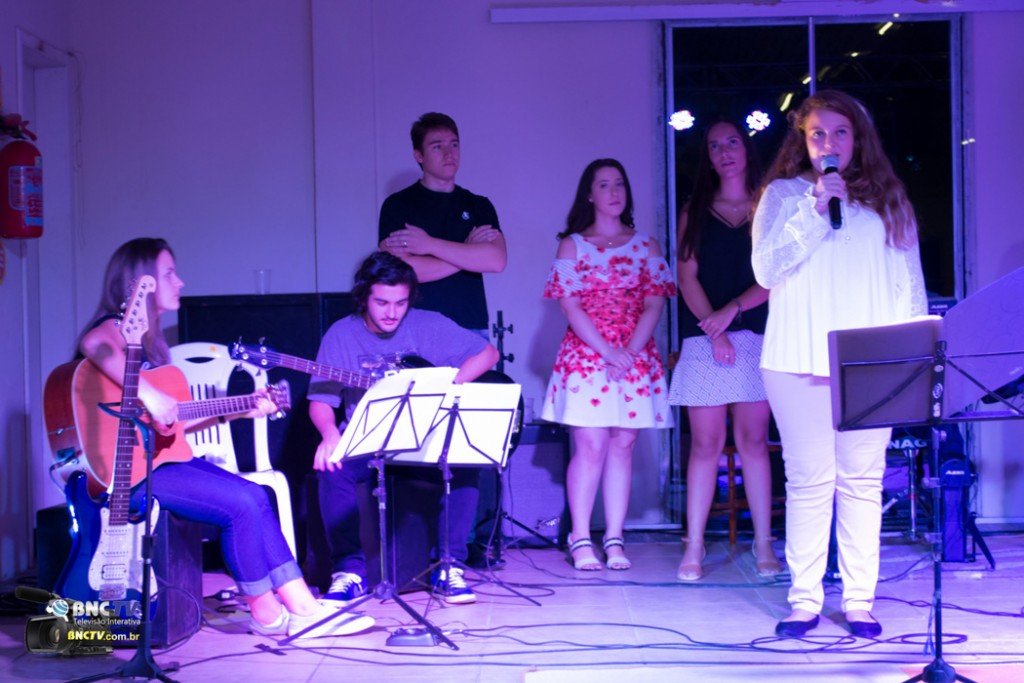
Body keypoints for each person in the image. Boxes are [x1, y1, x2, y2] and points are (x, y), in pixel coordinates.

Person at [78, 237, 374, 639]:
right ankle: (267, 613)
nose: (180, 281)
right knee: (238, 505)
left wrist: (239, 409)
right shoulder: (116, 328)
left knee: (254, 495)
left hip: (160, 462)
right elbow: (93, 344)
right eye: (169, 273)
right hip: (123, 473)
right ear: (141, 281)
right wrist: (151, 395)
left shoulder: (153, 348)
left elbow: (171, 426)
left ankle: (300, 607)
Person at [751, 90, 927, 638]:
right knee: (809, 480)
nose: (829, 142)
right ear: (803, 141)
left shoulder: (889, 199)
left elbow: (909, 287)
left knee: (862, 482)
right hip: (796, 357)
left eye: (840, 132)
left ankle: (858, 601)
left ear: (858, 137)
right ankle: (804, 600)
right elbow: (766, 271)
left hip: (869, 361)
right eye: (818, 134)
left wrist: (911, 357)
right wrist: (813, 208)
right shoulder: (783, 195)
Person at [309, 251, 499, 605]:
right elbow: (321, 400)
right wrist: (330, 435)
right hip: (367, 441)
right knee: (331, 468)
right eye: (381, 302)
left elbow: (488, 354)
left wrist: (451, 386)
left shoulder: (429, 324)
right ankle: (348, 573)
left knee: (465, 462)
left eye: (401, 303)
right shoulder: (341, 334)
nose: (392, 313)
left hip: (424, 439)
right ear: (363, 297)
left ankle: (449, 566)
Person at [541, 159, 676, 571]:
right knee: (591, 445)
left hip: (634, 354)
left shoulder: (647, 245)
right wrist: (607, 351)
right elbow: (570, 306)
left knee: (623, 445)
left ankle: (615, 538)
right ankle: (580, 537)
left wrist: (629, 352)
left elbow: (654, 304)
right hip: (588, 356)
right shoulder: (572, 245)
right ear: (589, 194)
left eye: (619, 184)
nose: (614, 192)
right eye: (604, 185)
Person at [668, 120, 779, 581]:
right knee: (705, 444)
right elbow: (685, 275)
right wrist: (715, 331)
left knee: (754, 441)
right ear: (708, 158)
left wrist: (732, 312)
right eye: (714, 146)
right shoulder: (694, 211)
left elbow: (775, 276)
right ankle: (693, 545)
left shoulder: (768, 206)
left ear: (746, 149)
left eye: (732, 142)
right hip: (705, 336)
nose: (724, 152)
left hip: (756, 332)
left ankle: (764, 542)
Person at [378, 112, 507, 334]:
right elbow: (403, 272)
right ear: (419, 155)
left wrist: (429, 245)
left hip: (470, 327)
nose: (449, 153)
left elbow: (496, 261)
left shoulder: (479, 205)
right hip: (415, 327)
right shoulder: (397, 205)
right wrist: (467, 254)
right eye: (437, 147)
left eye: (454, 145)